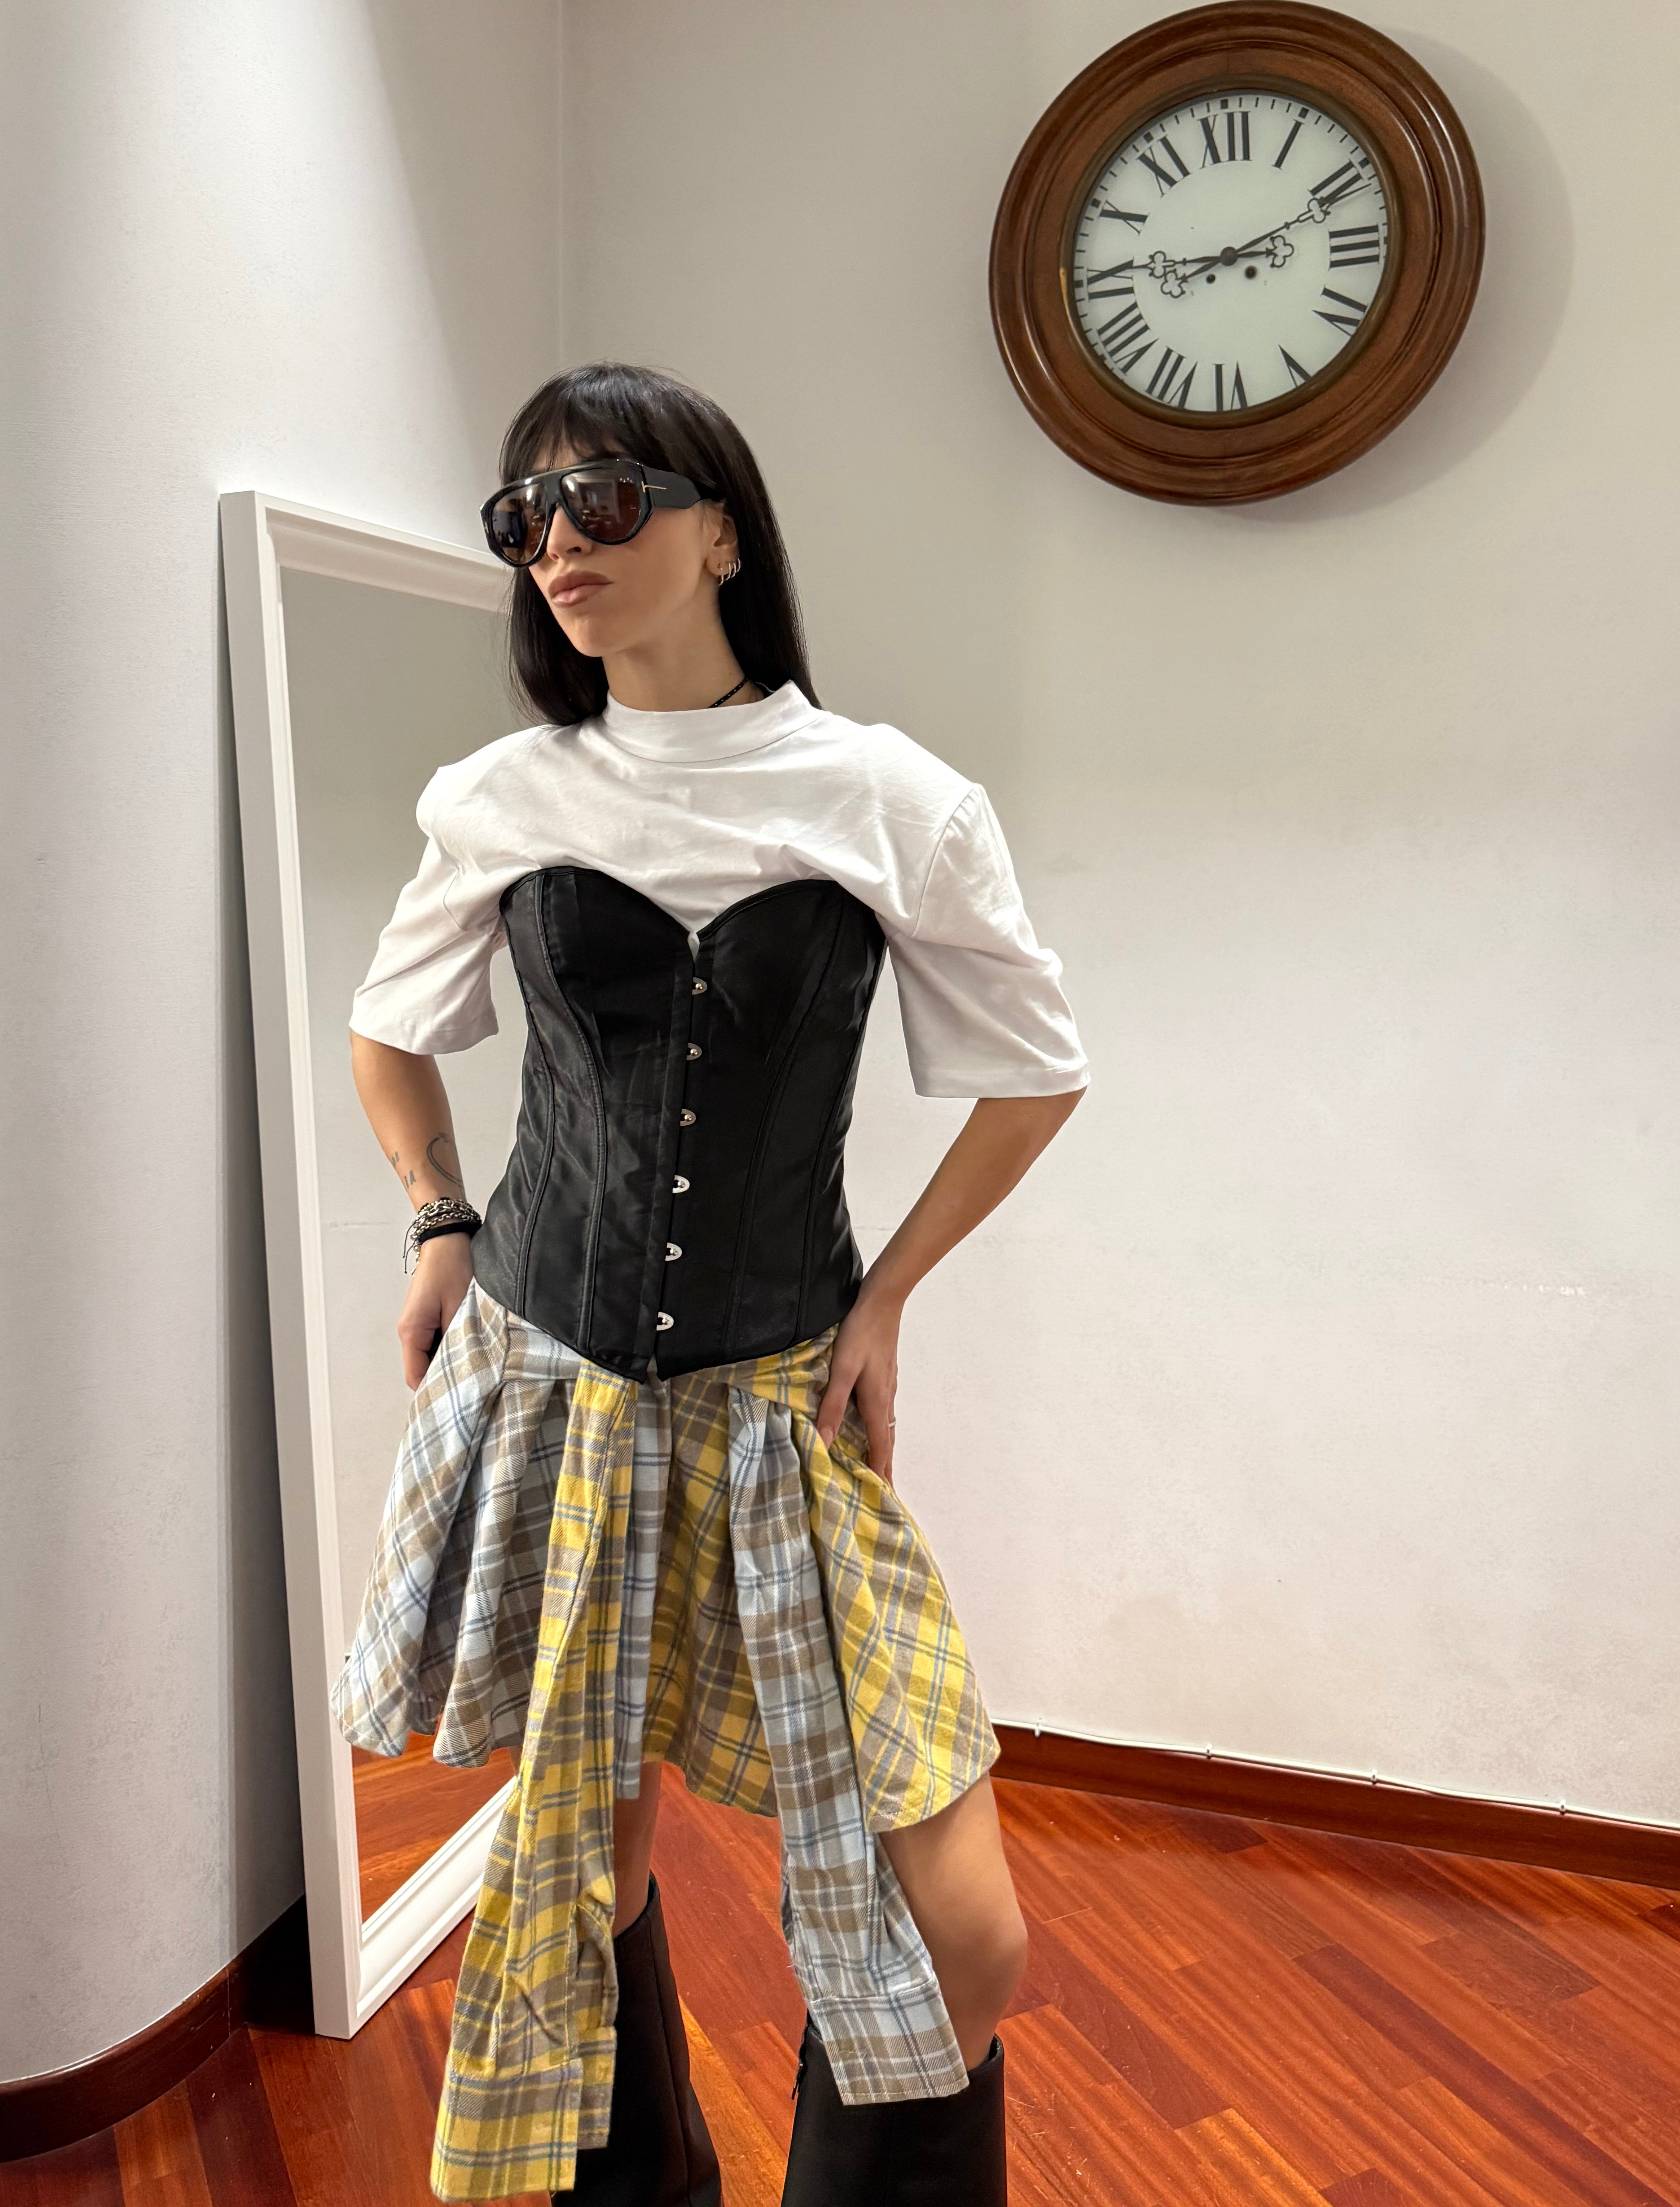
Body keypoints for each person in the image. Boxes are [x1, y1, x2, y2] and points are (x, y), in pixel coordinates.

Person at [335, 362, 1087, 2205]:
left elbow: (1033, 1071)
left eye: (603, 498)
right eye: (525, 517)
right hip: (551, 1387)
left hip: (772, 1405)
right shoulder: (502, 796)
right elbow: (388, 1032)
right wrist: (440, 1220)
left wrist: (885, 1298)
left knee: (960, 1934)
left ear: (722, 531)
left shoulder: (885, 794)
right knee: (581, 1866)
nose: (558, 543)